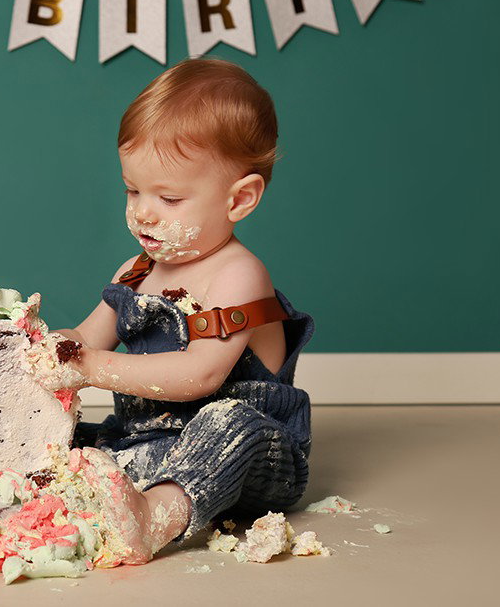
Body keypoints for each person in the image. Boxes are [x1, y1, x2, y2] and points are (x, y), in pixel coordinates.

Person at [51, 57, 316, 563]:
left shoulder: (237, 275)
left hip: (252, 456)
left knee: (227, 422)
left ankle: (158, 517)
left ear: (239, 200)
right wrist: (43, 346)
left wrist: (85, 369)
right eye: (132, 190)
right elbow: (86, 338)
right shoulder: (135, 271)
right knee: (70, 445)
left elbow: (199, 376)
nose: (143, 211)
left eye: (169, 198)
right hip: (149, 440)